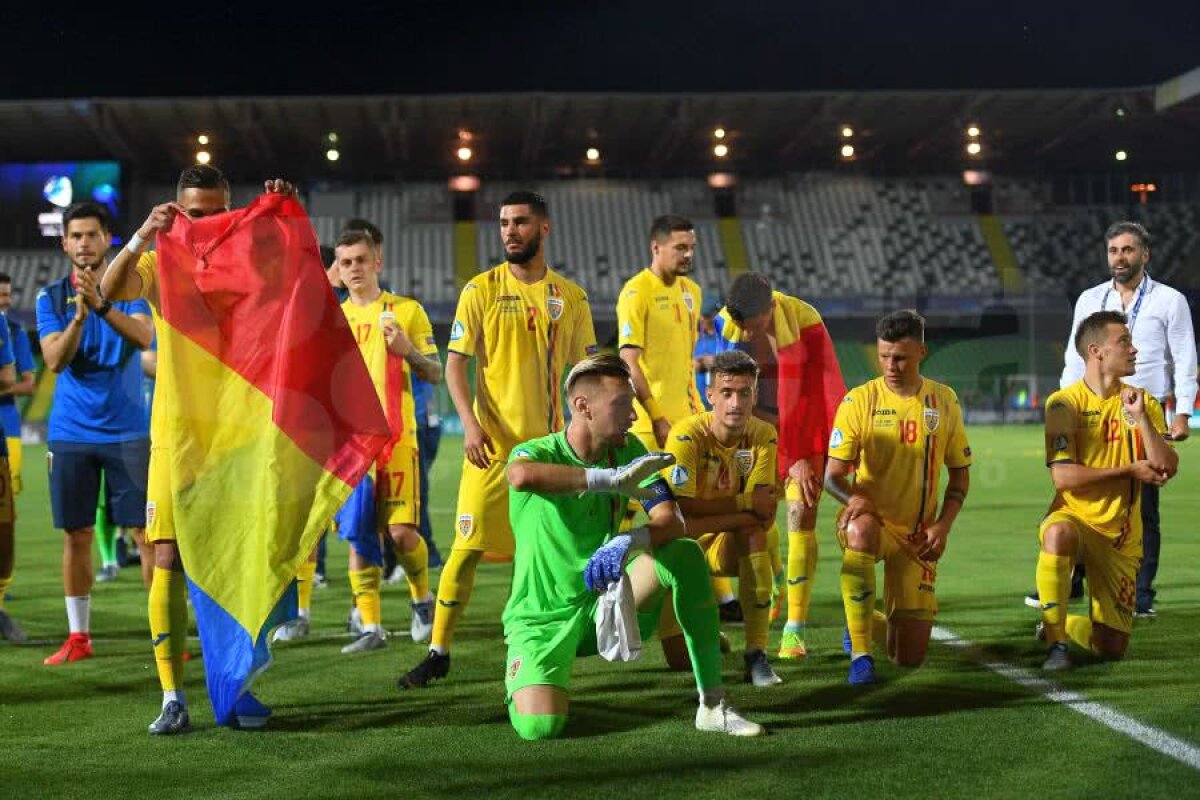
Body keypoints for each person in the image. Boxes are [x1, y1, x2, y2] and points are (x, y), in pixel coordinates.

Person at [101, 165, 296, 734]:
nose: (205, 222)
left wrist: (285, 212)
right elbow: (108, 292)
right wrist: (140, 233)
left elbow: (300, 284)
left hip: (239, 439)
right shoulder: (160, 264)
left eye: (216, 212)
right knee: (166, 557)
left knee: (239, 558)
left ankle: (233, 688)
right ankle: (171, 696)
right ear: (178, 212)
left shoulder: (252, 264)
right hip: (177, 437)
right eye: (194, 212)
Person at [502, 353, 764, 739]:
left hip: (605, 600)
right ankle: (524, 682)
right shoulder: (538, 451)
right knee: (540, 726)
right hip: (542, 619)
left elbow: (671, 520)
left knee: (684, 552)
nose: (632, 415)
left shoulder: (630, 450)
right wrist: (609, 479)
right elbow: (520, 476)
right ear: (583, 407)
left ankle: (712, 704)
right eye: (621, 404)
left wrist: (632, 538)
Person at [401, 190, 597, 688]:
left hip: (550, 451)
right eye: (504, 222)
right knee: (465, 550)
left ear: (544, 229)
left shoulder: (570, 297)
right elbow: (455, 366)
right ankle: (438, 648)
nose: (510, 230)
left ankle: (539, 642)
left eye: (521, 222)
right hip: (491, 451)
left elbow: (585, 370)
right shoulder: (480, 290)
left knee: (549, 555)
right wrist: (469, 423)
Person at [1054, 222, 1196, 619]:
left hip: (1142, 415)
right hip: (1091, 410)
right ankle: (1073, 577)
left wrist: (1181, 414)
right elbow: (1074, 355)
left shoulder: (1170, 301)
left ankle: (1141, 592)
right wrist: (1066, 406)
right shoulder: (1090, 298)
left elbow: (1185, 358)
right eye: (1114, 250)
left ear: (1144, 255)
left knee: (1142, 504)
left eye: (1128, 250)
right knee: (1080, 495)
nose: (1120, 257)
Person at [36, 202, 154, 666]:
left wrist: (101, 306)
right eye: (76, 236)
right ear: (64, 244)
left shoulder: (133, 289)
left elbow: (145, 337)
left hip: (128, 432)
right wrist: (81, 317)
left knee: (148, 537)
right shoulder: (50, 298)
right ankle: (79, 637)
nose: (84, 242)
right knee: (77, 534)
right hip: (71, 434)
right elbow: (54, 361)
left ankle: (163, 633)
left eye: (92, 234)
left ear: (109, 239)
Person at [825, 310, 971, 684]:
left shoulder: (944, 401)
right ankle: (860, 655)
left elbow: (959, 475)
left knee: (907, 657)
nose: (891, 365)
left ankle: (859, 617)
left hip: (919, 538)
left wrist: (944, 526)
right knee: (861, 532)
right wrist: (852, 499)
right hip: (871, 524)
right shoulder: (859, 401)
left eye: (901, 357)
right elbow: (833, 477)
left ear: (922, 351)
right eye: (884, 355)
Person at [1036, 310, 1177, 670]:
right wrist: (1129, 469)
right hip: (1077, 518)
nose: (1134, 349)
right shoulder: (1064, 403)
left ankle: (1062, 623)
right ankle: (1057, 645)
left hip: (1122, 536)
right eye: (1124, 342)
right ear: (1096, 351)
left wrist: (1143, 418)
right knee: (1058, 534)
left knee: (1111, 648)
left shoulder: (1141, 400)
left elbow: (1167, 465)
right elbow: (1063, 479)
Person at [616, 217, 741, 618]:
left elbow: (684, 362)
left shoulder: (693, 292)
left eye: (691, 247)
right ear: (657, 248)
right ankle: (608, 588)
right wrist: (655, 415)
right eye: (680, 248)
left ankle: (722, 598)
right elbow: (628, 360)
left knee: (696, 508)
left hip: (688, 422)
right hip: (649, 425)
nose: (689, 255)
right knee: (633, 511)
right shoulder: (636, 292)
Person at [327, 228, 441, 654]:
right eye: (346, 262)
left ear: (378, 262)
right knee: (359, 534)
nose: (354, 268)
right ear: (338, 269)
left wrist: (407, 351)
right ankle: (371, 627)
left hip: (398, 439)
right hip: (350, 446)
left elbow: (434, 371)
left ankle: (421, 601)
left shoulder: (405, 310)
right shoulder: (332, 321)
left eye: (361, 259)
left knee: (402, 532)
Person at [720, 272, 846, 660]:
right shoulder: (733, 323)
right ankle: (775, 576)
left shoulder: (807, 323)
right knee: (750, 522)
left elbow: (822, 394)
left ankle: (795, 627)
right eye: (741, 325)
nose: (745, 332)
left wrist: (802, 457)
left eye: (753, 325)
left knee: (800, 511)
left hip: (802, 432)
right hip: (753, 431)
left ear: (772, 307)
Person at [662, 350, 782, 686]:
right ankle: (705, 631)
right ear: (709, 394)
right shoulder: (686, 436)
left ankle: (756, 654)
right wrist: (742, 502)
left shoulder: (763, 435)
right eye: (727, 393)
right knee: (681, 662)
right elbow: (680, 512)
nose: (736, 403)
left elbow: (764, 511)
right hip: (680, 548)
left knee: (756, 532)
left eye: (745, 393)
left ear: (754, 395)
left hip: (722, 541)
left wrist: (746, 511)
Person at [0, 274, 36, 495]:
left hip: (7, 423)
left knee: (6, 500)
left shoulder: (15, 331)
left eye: (7, 294)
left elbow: (29, 385)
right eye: (1, 295)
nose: (6, 300)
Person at [693, 294, 728, 410]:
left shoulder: (729, 335)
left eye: (707, 316)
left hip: (724, 403)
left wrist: (716, 362)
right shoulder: (695, 337)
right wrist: (696, 364)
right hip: (700, 404)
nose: (703, 320)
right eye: (702, 316)